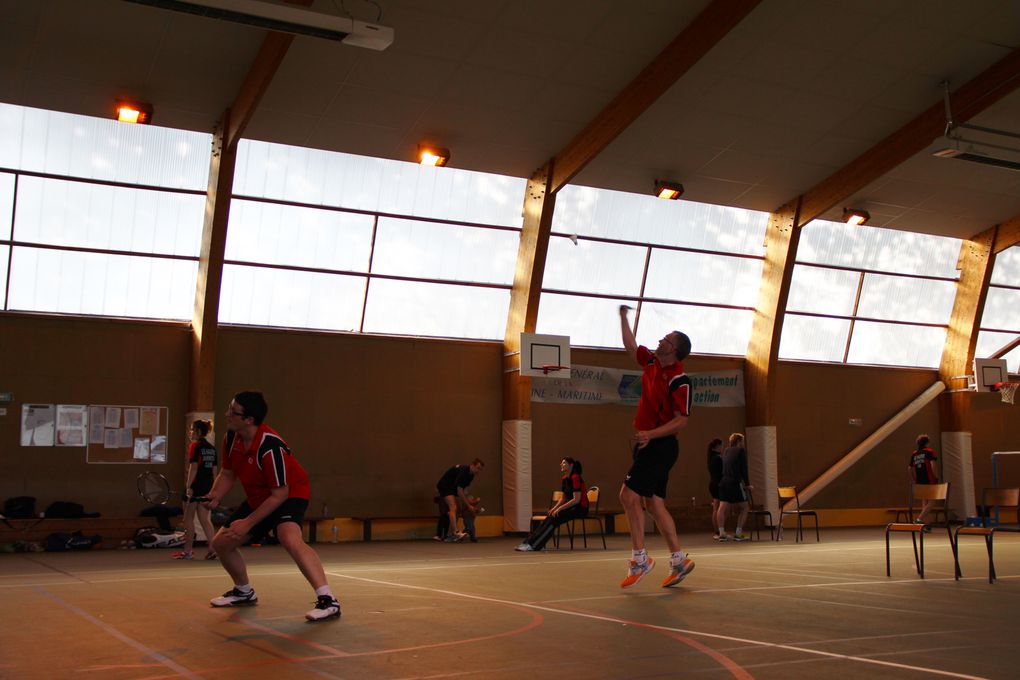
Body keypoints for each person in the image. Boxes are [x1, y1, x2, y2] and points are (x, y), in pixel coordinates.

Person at [202, 390, 341, 622]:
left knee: (288, 537)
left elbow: (280, 494)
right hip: (260, 497)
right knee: (221, 544)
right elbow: (227, 473)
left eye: (233, 412)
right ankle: (243, 591)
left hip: (289, 493)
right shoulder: (231, 438)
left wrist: (247, 523)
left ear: (249, 420)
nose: (227, 414)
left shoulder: (270, 447)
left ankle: (328, 600)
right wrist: (215, 495)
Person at [617, 305, 695, 589]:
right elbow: (630, 347)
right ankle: (678, 560)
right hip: (649, 442)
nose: (661, 340)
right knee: (654, 503)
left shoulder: (679, 381)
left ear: (674, 351)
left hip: (662, 446)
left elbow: (682, 421)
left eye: (667, 340)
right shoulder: (650, 361)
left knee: (627, 495)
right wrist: (623, 317)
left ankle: (640, 559)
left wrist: (651, 434)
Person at [515, 457, 589, 552]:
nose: (561, 464)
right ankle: (527, 542)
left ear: (571, 465)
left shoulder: (575, 477)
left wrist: (560, 509)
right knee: (550, 516)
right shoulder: (565, 479)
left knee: (555, 518)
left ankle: (534, 546)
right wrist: (554, 508)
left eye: (564, 463)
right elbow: (563, 498)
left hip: (580, 509)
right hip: (571, 507)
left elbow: (576, 499)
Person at [171, 419, 218, 560]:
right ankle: (213, 548)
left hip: (196, 486)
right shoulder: (212, 448)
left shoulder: (195, 446)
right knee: (205, 519)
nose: (190, 432)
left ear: (198, 431)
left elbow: (194, 467)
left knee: (188, 519)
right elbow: (215, 470)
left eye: (192, 430)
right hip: (208, 486)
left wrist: (188, 486)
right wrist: (214, 488)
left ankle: (188, 551)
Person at [434, 458, 484, 542]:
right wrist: (469, 506)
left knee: (458, 509)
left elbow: (463, 491)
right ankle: (455, 532)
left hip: (453, 488)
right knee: (453, 507)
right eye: (477, 468)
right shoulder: (463, 472)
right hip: (445, 486)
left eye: (480, 469)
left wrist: (470, 505)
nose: (478, 471)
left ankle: (450, 535)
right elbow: (460, 491)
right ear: (472, 465)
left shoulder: (471, 476)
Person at [715, 433, 751, 542]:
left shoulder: (726, 451)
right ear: (739, 441)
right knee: (745, 507)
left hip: (724, 482)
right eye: (742, 441)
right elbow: (744, 469)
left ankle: (721, 533)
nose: (743, 444)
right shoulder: (740, 451)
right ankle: (738, 533)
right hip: (735, 482)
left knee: (721, 508)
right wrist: (748, 484)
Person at [910, 434, 939, 524]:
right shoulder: (930, 451)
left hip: (920, 481)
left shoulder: (914, 454)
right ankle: (919, 519)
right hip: (929, 479)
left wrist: (914, 479)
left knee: (925, 502)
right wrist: (936, 476)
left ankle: (925, 525)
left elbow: (909, 468)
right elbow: (932, 465)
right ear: (927, 443)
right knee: (932, 501)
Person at [706, 438, 723, 540]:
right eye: (721, 445)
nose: (722, 448)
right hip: (717, 484)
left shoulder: (710, 457)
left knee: (715, 508)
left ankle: (717, 531)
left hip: (712, 483)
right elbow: (722, 472)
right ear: (717, 446)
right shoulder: (717, 458)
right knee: (719, 508)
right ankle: (720, 530)